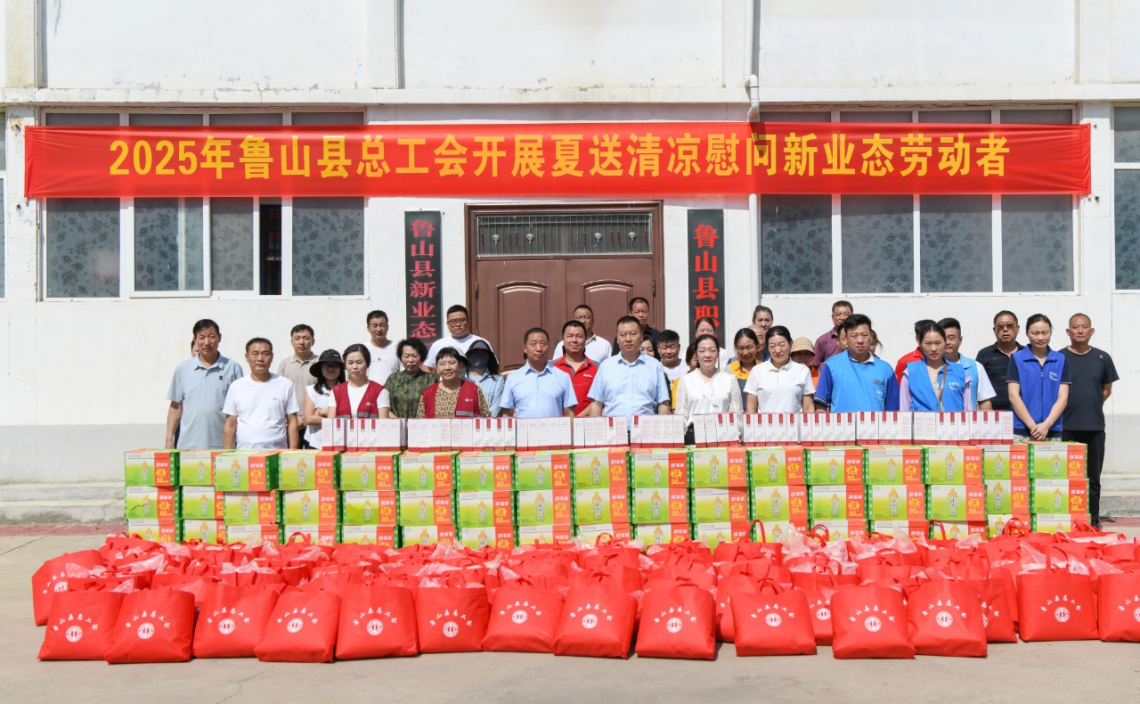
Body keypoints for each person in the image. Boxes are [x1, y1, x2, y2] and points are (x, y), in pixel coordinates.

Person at [1061, 313, 1119, 528]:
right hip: (1066, 427)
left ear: (1091, 331)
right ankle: (1068, 520)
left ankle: (1093, 521)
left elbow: (1107, 389)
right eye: (1075, 327)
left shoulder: (1102, 358)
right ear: (1068, 331)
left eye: (1084, 327)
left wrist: (1091, 404)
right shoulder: (1059, 358)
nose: (1080, 331)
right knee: (1066, 478)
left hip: (1094, 426)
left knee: (1093, 478)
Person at [166, 319, 245, 449]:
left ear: (219, 338)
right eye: (201, 337)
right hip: (189, 444)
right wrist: (169, 439)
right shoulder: (183, 369)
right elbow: (176, 406)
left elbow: (241, 408)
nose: (207, 342)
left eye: (211, 336)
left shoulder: (232, 368)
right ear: (195, 340)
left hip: (224, 445)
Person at [588, 315, 672, 425]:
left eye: (633, 334)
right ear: (617, 338)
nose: (628, 339)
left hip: (645, 431)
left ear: (641, 336)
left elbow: (663, 405)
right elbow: (596, 404)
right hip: (613, 431)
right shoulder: (606, 366)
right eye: (623, 335)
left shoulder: (654, 366)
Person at [222, 338, 299, 449]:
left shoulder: (285, 385)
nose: (260, 359)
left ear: (272, 357)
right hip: (245, 452)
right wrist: (228, 454)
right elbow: (230, 424)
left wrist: (293, 451)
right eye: (255, 354)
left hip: (277, 451)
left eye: (265, 354)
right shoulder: (236, 386)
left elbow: (292, 421)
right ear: (247, 357)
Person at [814, 314, 900, 412]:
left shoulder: (886, 369)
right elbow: (820, 408)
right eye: (854, 336)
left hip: (876, 423)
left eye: (864, 335)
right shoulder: (830, 366)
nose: (860, 340)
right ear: (846, 338)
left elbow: (894, 410)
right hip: (842, 422)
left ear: (871, 337)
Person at [1008, 314, 1070, 441]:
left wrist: (1046, 425)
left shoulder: (1060, 360)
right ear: (1027, 333)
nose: (1040, 337)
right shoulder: (1017, 358)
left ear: (1050, 333)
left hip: (1052, 429)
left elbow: (1063, 397)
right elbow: (1013, 396)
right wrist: (1033, 427)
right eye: (1035, 333)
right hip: (1021, 429)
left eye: (1045, 333)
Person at [674, 334, 743, 436]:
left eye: (712, 350)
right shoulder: (685, 380)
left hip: (722, 436)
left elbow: (736, 414)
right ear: (696, 354)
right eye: (702, 351)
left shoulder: (730, 380)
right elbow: (681, 415)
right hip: (694, 437)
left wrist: (736, 436)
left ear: (718, 354)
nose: (707, 355)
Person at [501, 328, 578, 418]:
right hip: (524, 427)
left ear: (548, 347)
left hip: (554, 427)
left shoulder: (563, 377)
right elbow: (507, 414)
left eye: (543, 344)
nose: (538, 348)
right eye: (533, 344)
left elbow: (570, 413)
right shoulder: (513, 378)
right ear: (525, 349)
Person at [898, 322, 973, 411]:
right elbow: (904, 410)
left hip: (954, 420)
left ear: (945, 342)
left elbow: (968, 410)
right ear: (920, 344)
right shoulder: (910, 373)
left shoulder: (961, 372)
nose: (933, 348)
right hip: (921, 420)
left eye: (938, 343)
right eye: (928, 343)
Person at [744, 326, 815, 413]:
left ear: (790, 344)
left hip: (795, 422)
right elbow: (751, 409)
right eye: (772, 346)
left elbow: (808, 408)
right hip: (765, 422)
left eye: (782, 345)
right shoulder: (757, 371)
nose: (777, 350)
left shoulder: (803, 371)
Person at [939, 317, 996, 411]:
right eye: (943, 338)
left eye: (951, 337)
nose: (947, 342)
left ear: (960, 340)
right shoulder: (930, 368)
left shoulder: (975, 367)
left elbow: (985, 403)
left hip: (968, 420)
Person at [416, 347, 490, 418]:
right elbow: (420, 422)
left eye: (452, 363)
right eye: (442, 364)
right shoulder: (427, 394)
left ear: (460, 366)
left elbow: (485, 418)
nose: (447, 368)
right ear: (437, 368)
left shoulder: (474, 390)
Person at [324, 344, 391, 419]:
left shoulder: (380, 391)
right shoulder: (336, 391)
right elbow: (331, 421)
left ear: (367, 364)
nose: (354, 367)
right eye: (350, 363)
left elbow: (383, 423)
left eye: (359, 362)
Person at [976, 311, 1024, 411]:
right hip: (995, 414)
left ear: (1017, 328)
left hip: (1025, 413)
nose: (1005, 329)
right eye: (1000, 326)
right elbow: (978, 387)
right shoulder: (984, 354)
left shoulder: (1027, 353)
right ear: (995, 330)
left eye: (1009, 325)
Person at [424, 305, 492, 370]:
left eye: (461, 320)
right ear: (448, 324)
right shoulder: (438, 344)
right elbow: (426, 368)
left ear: (468, 321)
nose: (458, 324)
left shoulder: (481, 343)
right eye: (453, 321)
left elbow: (493, 366)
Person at [553, 320, 599, 416]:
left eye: (579, 336)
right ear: (563, 339)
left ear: (585, 339)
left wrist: (577, 419)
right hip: (558, 423)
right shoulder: (552, 367)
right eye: (570, 336)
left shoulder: (596, 367)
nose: (574, 340)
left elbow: (599, 398)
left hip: (587, 423)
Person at [302, 349, 344, 449]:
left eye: (335, 365)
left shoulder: (348, 390)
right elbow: (308, 419)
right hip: (316, 444)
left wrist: (322, 412)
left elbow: (349, 418)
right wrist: (336, 419)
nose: (331, 368)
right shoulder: (311, 390)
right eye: (326, 365)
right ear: (320, 368)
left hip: (341, 441)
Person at [275, 324, 317, 420]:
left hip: (315, 419)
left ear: (313, 341)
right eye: (297, 338)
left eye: (306, 338)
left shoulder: (320, 363)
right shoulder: (284, 364)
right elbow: (279, 394)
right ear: (292, 342)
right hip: (291, 419)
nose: (301, 342)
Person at [386, 339, 436, 418]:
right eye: (406, 356)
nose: (410, 360)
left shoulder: (430, 379)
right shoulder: (393, 379)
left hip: (422, 424)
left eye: (414, 356)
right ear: (401, 357)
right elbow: (384, 405)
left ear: (421, 357)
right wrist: (398, 421)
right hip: (396, 423)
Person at [466, 339, 505, 417]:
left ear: (489, 357)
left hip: (489, 422)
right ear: (469, 356)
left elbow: (495, 409)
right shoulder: (461, 378)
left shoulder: (497, 380)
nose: (479, 356)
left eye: (483, 353)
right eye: (475, 353)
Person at [364, 310, 402, 385]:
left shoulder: (398, 348)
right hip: (367, 391)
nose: (379, 329)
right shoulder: (362, 349)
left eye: (382, 325)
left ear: (387, 327)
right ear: (368, 328)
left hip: (391, 391)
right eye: (375, 326)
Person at [814, 300, 853, 365]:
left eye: (846, 314)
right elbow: (815, 366)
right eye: (838, 314)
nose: (842, 318)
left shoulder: (858, 339)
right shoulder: (822, 341)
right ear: (833, 317)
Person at [728, 328, 761, 393]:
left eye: (749, 347)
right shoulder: (729, 370)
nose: (745, 352)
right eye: (741, 348)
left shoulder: (764, 368)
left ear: (757, 346)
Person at [671, 342, 699, 411]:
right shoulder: (679, 382)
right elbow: (675, 409)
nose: (700, 363)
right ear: (688, 361)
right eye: (696, 360)